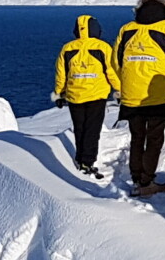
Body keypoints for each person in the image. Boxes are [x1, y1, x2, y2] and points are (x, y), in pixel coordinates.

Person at [113, 0, 165, 197]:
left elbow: (116, 62)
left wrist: (126, 83)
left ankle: (136, 177)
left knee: (137, 137)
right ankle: (147, 181)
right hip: (158, 96)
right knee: (154, 138)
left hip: (131, 96)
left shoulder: (127, 30)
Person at [52, 14, 121, 176]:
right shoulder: (103, 48)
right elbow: (112, 73)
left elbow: (61, 74)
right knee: (92, 129)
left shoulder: (68, 48)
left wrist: (59, 93)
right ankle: (87, 162)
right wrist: (119, 92)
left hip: (75, 96)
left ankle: (80, 158)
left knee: (80, 128)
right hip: (96, 96)